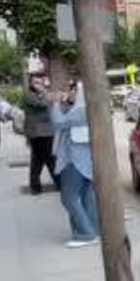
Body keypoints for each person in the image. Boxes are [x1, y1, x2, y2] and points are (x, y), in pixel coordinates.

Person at [51, 83, 100, 248]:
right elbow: (66, 118)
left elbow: (58, 122)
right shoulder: (86, 109)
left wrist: (55, 103)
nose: (70, 92)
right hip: (84, 159)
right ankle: (91, 230)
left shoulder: (81, 110)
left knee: (68, 197)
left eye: (74, 90)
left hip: (73, 160)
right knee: (86, 196)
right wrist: (63, 103)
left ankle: (86, 234)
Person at [23, 75, 58, 194]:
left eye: (40, 82)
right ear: (31, 84)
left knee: (45, 159)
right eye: (36, 82)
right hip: (37, 132)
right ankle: (37, 186)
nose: (39, 85)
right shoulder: (29, 95)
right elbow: (42, 104)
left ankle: (37, 186)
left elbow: (50, 103)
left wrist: (48, 95)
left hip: (47, 131)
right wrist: (47, 94)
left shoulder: (43, 94)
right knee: (42, 159)